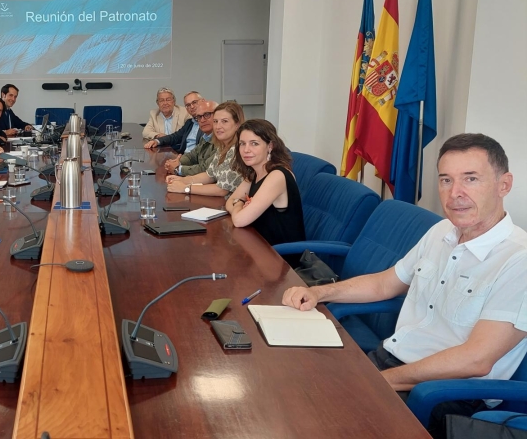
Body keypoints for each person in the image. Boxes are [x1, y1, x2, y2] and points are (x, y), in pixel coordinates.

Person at [282, 133, 527, 438]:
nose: (455, 194)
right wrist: (318, 292)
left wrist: (379, 381)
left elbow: (477, 359)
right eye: (446, 180)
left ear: (504, 184)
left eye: (471, 179)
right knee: (293, 388)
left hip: (443, 393)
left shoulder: (518, 259)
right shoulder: (442, 231)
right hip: (392, 360)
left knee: (321, 423)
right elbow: (385, 284)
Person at [226, 119, 305, 264]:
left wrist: (239, 204)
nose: (246, 150)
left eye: (254, 143)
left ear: (270, 146)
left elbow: (239, 220)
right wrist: (240, 204)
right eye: (242, 143)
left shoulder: (277, 175)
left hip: (281, 259)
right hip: (259, 247)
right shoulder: (254, 173)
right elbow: (229, 202)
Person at [166, 101, 244, 197]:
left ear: (237, 124)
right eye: (215, 121)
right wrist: (183, 180)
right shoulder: (223, 146)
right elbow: (209, 175)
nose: (218, 126)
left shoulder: (238, 149)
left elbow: (222, 190)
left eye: (224, 121)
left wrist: (185, 188)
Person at [162, 100, 218, 177]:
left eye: (207, 115)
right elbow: (192, 156)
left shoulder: (222, 140)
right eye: (199, 117)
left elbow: (206, 169)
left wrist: (178, 169)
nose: (202, 120)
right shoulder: (205, 137)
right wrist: (176, 162)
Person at [144, 90, 204, 156]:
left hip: (190, 158)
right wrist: (157, 141)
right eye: (188, 105)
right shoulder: (190, 122)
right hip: (182, 156)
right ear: (158, 103)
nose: (192, 107)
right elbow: (176, 136)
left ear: (174, 101)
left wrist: (181, 159)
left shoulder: (208, 122)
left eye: (194, 102)